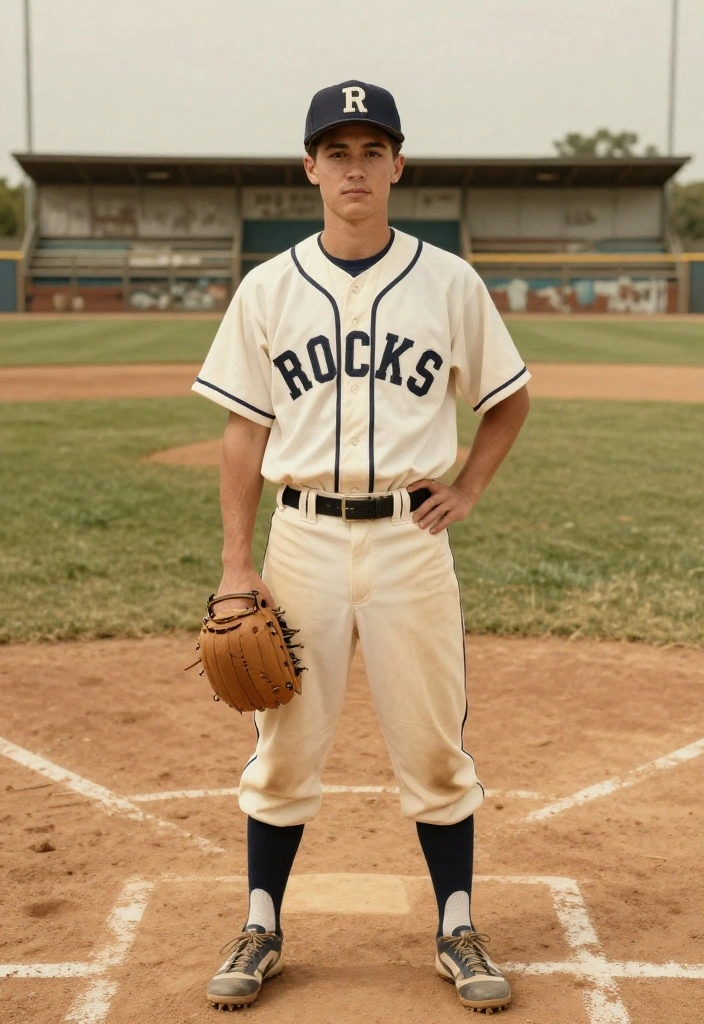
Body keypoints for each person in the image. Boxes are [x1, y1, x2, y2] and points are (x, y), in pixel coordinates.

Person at [192, 79, 530, 1014]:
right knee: (284, 746)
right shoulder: (269, 289)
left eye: (370, 150)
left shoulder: (449, 281)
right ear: (310, 168)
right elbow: (242, 435)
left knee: (432, 748)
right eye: (335, 152)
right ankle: (261, 924)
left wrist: (467, 486)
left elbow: (507, 398)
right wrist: (236, 562)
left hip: (410, 543)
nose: (354, 166)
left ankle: (456, 925)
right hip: (299, 539)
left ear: (397, 165)